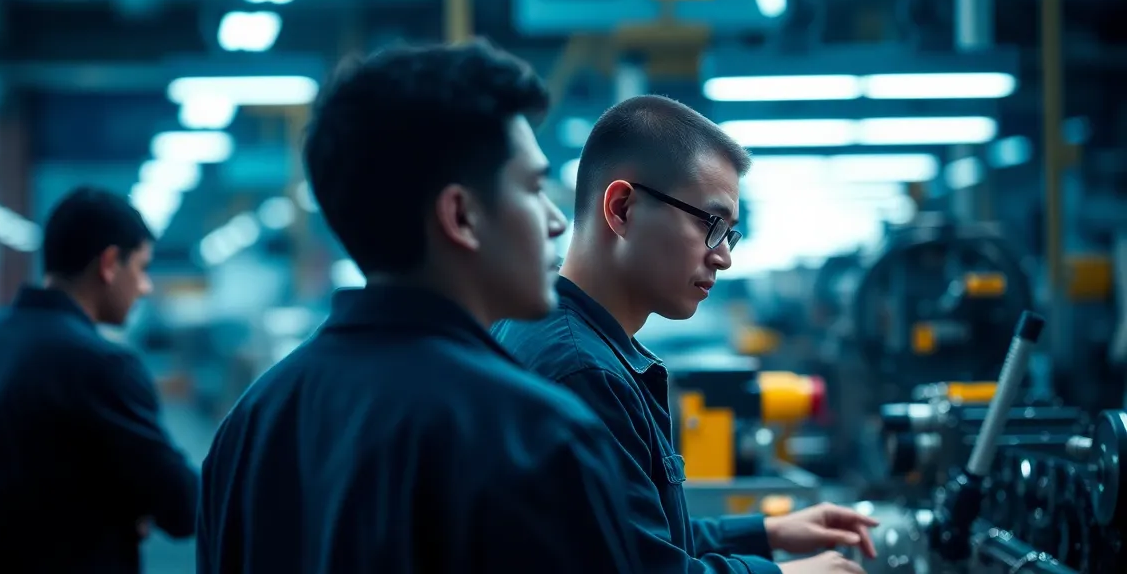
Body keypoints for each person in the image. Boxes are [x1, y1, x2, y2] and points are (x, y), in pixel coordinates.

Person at [196, 41, 642, 574]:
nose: (555, 221)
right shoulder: (539, 435)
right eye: (532, 187)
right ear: (461, 215)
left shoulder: (250, 426)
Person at [494, 95, 876, 574]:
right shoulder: (583, 372)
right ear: (623, 209)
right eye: (711, 224)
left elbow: (623, 535)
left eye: (729, 235)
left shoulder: (561, 337)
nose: (723, 257)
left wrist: (768, 532)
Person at [0, 188, 199, 574]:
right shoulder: (102, 364)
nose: (145, 287)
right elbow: (183, 506)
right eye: (141, 268)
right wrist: (132, 502)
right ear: (110, 264)